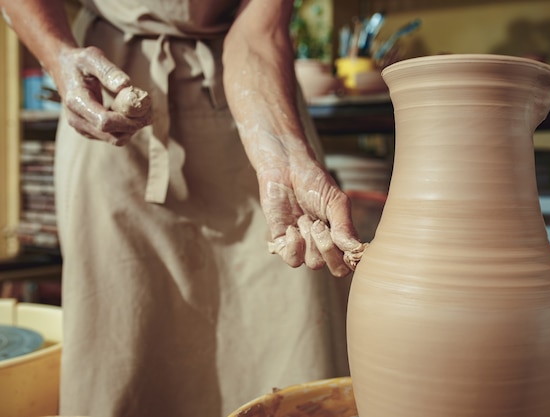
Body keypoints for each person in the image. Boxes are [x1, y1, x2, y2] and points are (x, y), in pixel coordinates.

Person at [0, 0, 366, 416]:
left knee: (292, 332)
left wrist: (283, 160)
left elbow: (258, 33)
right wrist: (57, 54)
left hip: (252, 104)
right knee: (124, 344)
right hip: (111, 93)